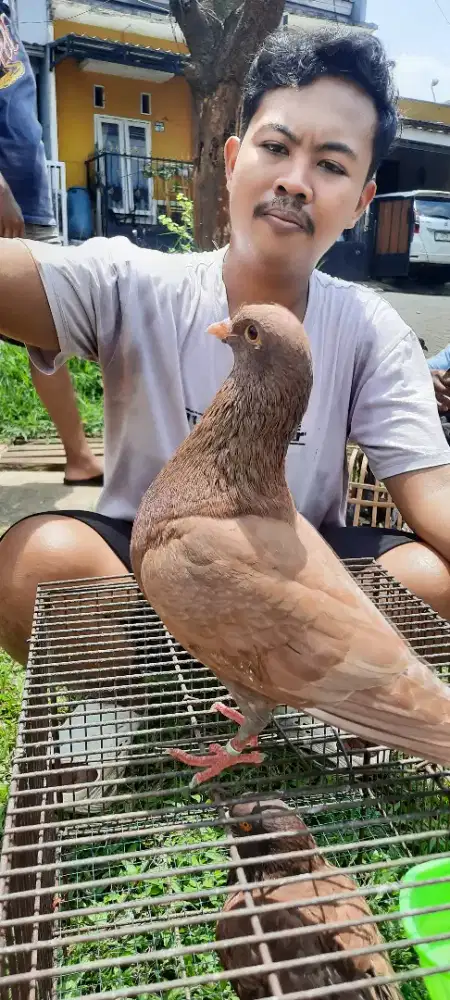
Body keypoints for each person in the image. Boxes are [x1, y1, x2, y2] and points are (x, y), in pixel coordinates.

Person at [1, 26, 450, 672]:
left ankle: (297, 701)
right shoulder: (138, 284)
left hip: (297, 575)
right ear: (234, 158)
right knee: (35, 563)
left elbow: (434, 493)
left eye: (330, 164)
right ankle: (156, 701)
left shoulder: (369, 328)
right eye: (277, 147)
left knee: (428, 580)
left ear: (360, 202)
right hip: (153, 562)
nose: (296, 182)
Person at [0, 0, 103, 485]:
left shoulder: (8, 19)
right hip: (6, 198)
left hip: (30, 202)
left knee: (50, 337)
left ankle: (79, 457)